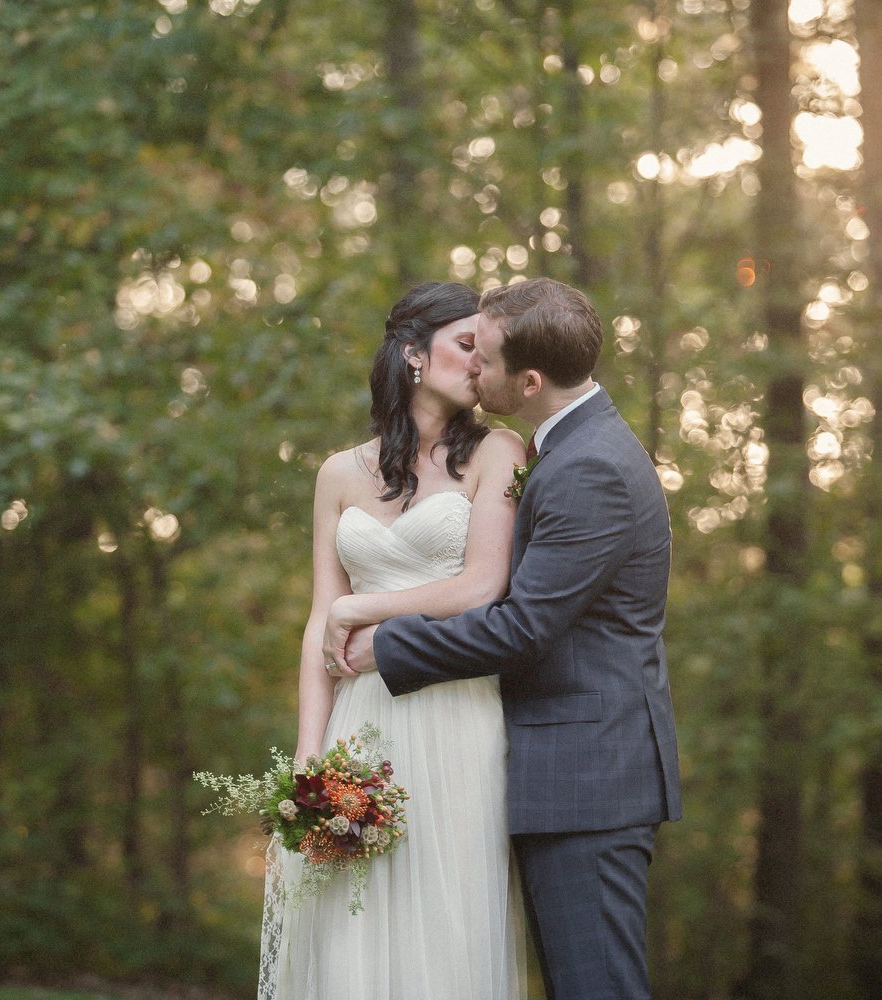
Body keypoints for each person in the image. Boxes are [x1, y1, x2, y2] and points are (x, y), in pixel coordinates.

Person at [337, 277, 683, 1000]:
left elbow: (524, 626)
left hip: (590, 778)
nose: (473, 369)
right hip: (564, 772)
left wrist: (385, 646)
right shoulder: (565, 447)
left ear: (527, 381)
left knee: (598, 988)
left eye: (484, 357)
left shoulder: (591, 468)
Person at [258, 281, 529, 1000]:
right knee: (348, 933)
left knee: (446, 933)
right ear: (413, 352)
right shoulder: (338, 474)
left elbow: (482, 587)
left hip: (456, 719)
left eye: (489, 351)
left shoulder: (501, 451)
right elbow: (321, 618)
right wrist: (310, 759)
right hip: (361, 721)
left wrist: (366, 608)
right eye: (467, 345)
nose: (481, 364)